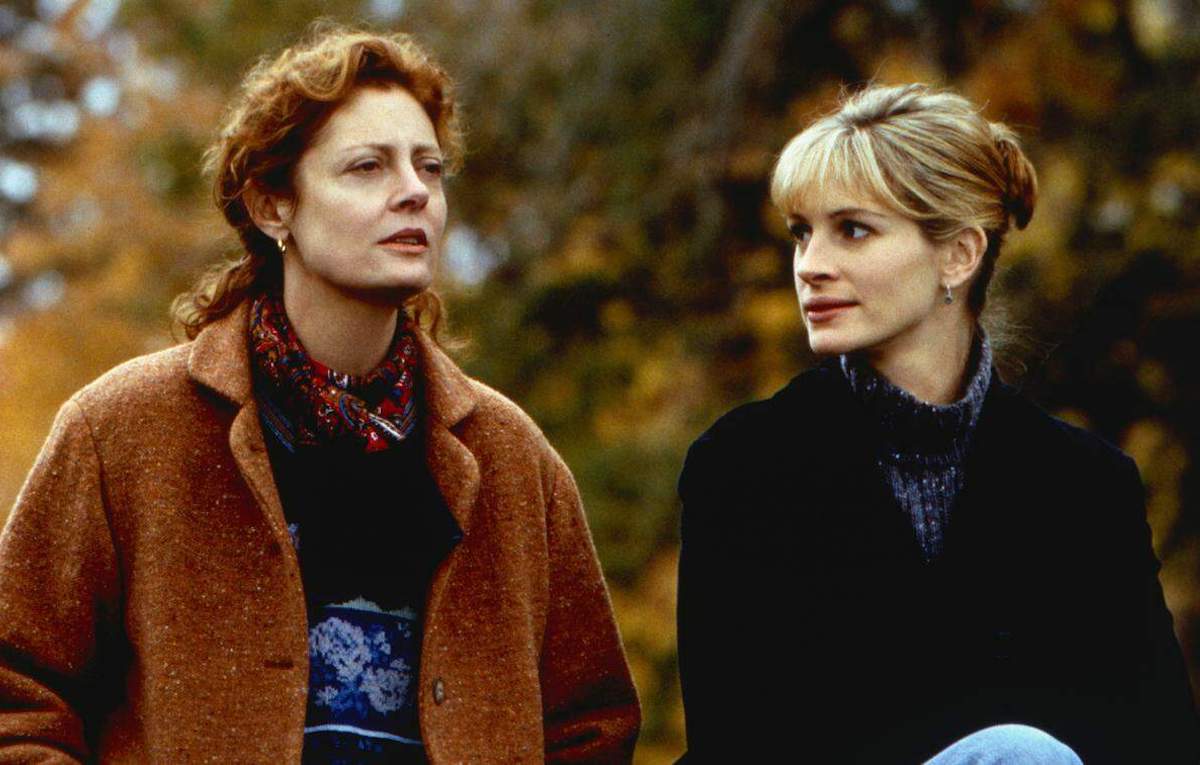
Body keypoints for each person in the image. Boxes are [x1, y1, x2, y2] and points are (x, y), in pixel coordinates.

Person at [0, 25, 639, 763]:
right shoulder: (121, 432)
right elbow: (17, 695)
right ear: (273, 205)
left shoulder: (512, 459)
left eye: (430, 168)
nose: (414, 192)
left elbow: (592, 725)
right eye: (367, 167)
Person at [674, 83, 1200, 764]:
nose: (810, 266)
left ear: (959, 255)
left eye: (852, 230)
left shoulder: (1087, 485)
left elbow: (1158, 741)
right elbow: (734, 744)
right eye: (802, 233)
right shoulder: (742, 465)